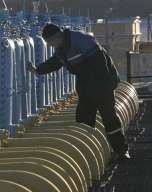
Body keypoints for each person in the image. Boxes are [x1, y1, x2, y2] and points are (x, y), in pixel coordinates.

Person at [28, 23, 130, 162]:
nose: (51, 46)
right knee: (83, 120)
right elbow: (55, 63)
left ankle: (122, 151)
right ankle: (88, 156)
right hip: (86, 83)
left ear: (57, 36)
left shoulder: (81, 40)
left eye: (50, 42)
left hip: (102, 81)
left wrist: (103, 87)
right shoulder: (62, 48)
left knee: (109, 118)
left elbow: (101, 63)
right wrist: (37, 70)